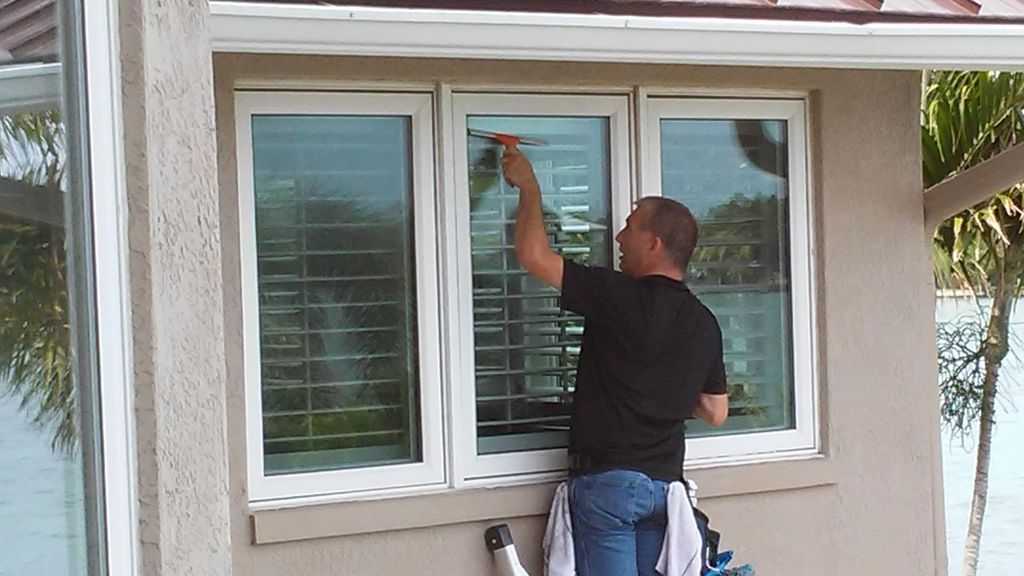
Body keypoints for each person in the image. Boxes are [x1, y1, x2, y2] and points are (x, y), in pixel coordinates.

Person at [500, 145, 729, 576]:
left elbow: (533, 256)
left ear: (654, 243)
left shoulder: (617, 295)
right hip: (665, 489)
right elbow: (715, 411)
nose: (619, 238)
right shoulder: (704, 323)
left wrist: (529, 187)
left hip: (608, 489)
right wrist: (668, 378)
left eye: (628, 228)